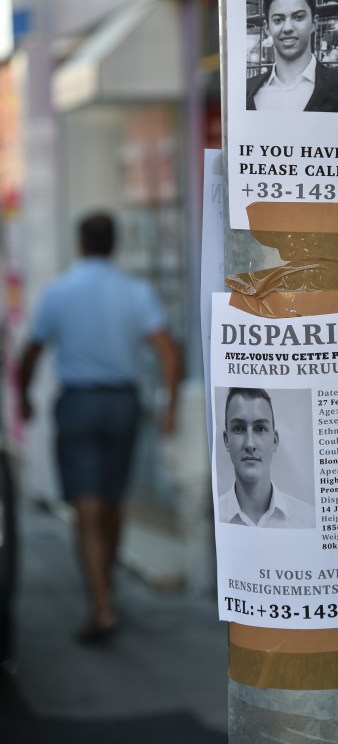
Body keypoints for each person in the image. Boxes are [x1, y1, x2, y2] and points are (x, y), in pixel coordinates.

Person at [18, 211, 180, 643]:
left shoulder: (60, 291)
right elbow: (167, 350)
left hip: (78, 404)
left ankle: (102, 604)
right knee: (113, 502)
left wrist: (23, 398)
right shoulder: (135, 291)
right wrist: (171, 408)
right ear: (114, 244)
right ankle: (107, 588)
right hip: (122, 405)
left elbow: (30, 353)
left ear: (80, 244)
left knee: (86, 510)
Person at [218, 387, 315, 528]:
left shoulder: (309, 520)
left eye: (260, 429)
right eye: (239, 428)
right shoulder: (213, 518)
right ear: (226, 440)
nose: (250, 444)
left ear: (274, 440)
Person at [246, 0, 338, 113]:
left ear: (314, 23)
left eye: (298, 17)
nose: (288, 28)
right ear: (267, 28)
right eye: (278, 20)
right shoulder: (246, 91)